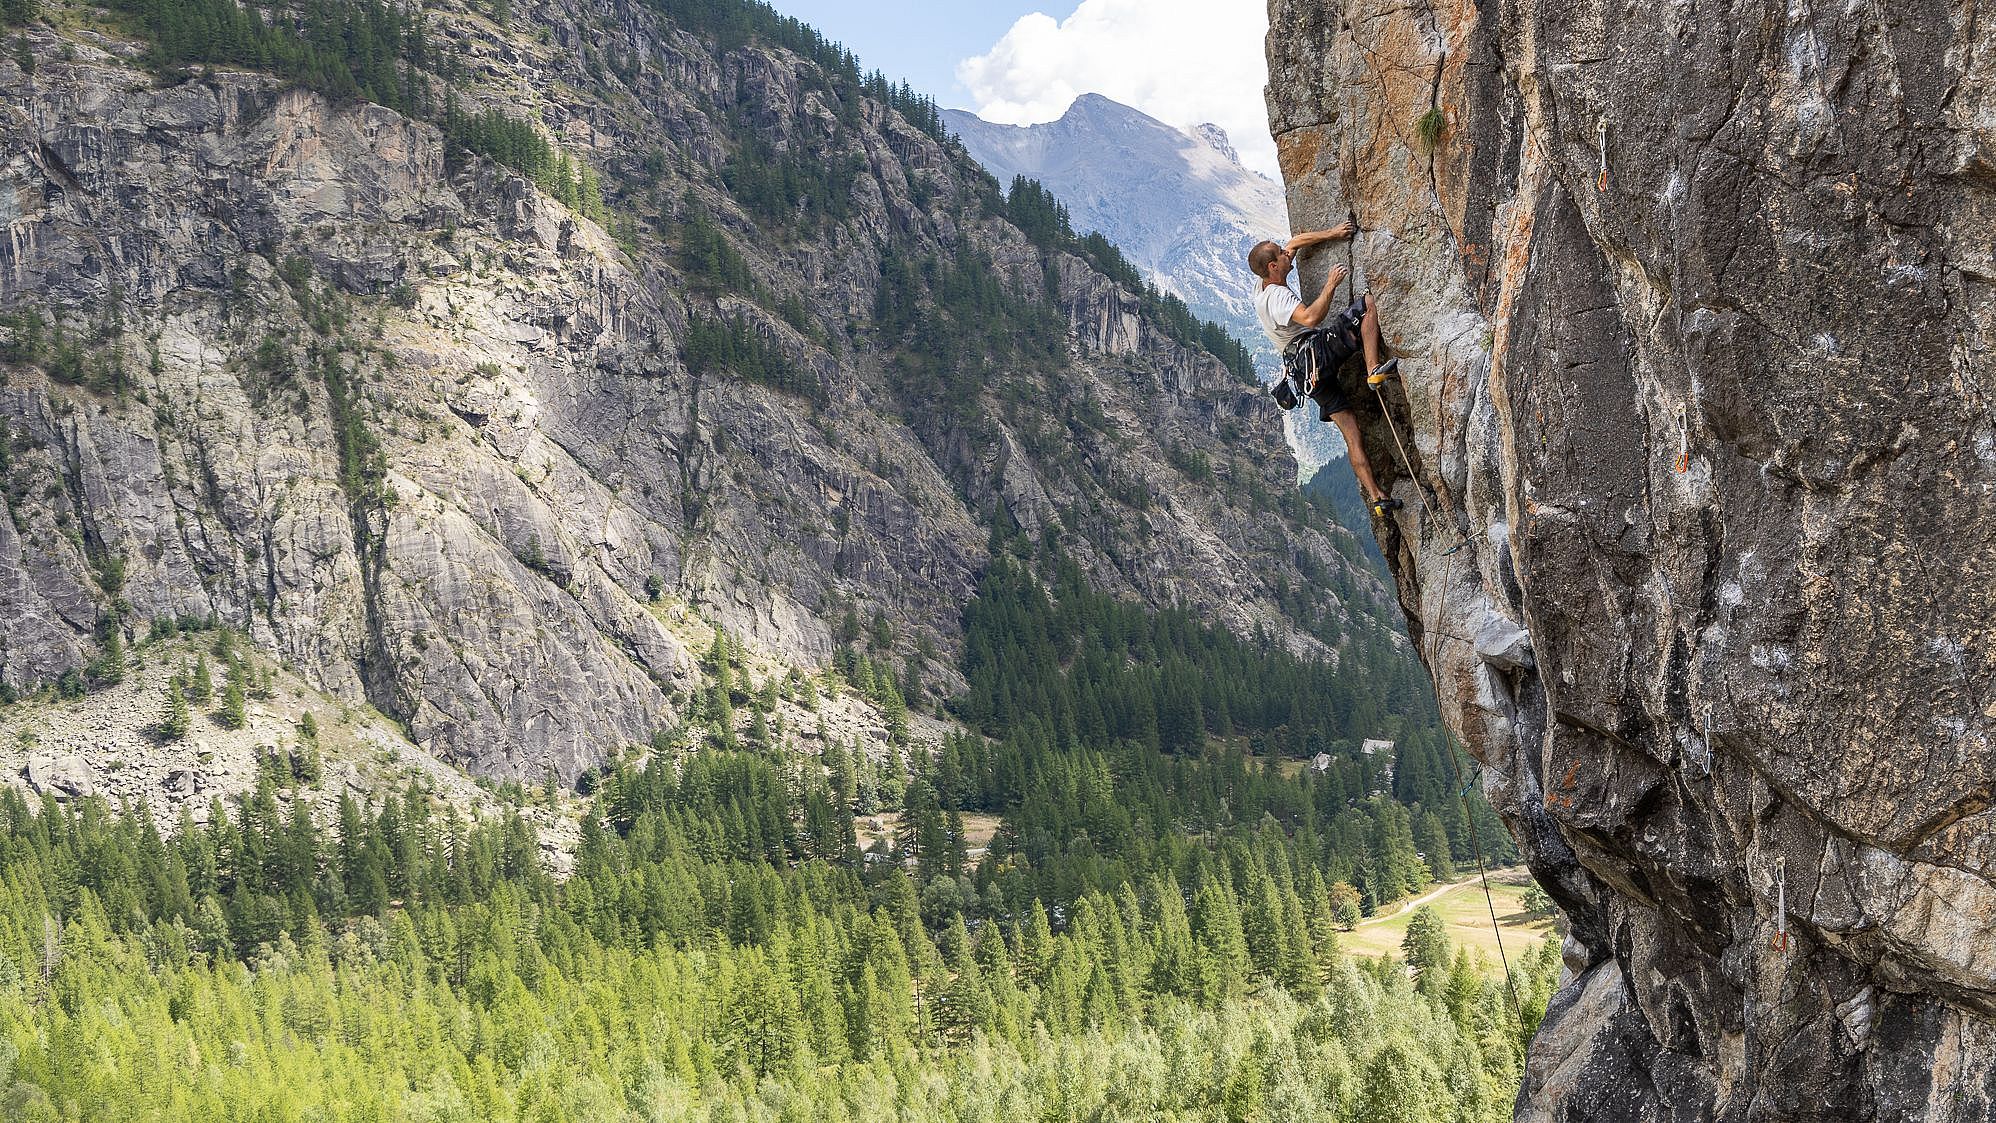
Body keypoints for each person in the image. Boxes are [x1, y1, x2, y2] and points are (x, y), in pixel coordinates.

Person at [1249, 222, 1403, 516]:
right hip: (1315, 353)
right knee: (1368, 306)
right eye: (1282, 255)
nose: (1287, 254)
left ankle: (1377, 497)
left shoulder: (1263, 284)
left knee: (1351, 433)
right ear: (1273, 266)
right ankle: (1373, 369)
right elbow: (1309, 318)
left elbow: (1295, 242)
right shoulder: (1277, 298)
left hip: (1304, 375)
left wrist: (1333, 234)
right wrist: (1331, 283)